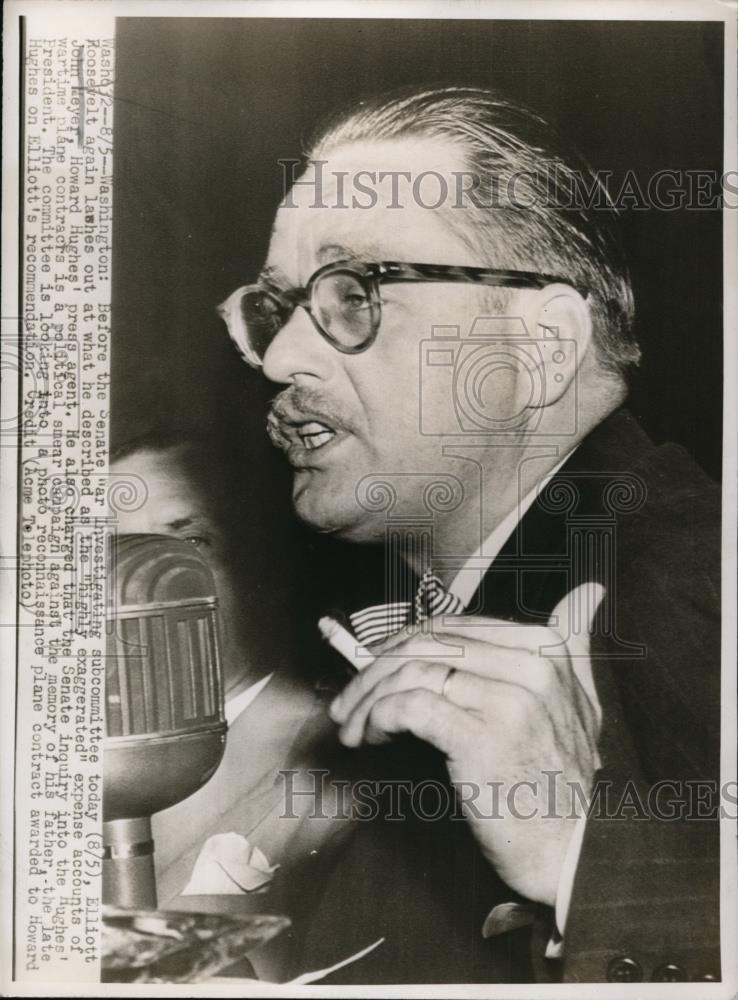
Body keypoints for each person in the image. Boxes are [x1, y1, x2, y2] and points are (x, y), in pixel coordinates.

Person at [217, 86, 722, 984]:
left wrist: (582, 856)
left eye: (353, 293)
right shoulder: (496, 588)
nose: (282, 357)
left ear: (542, 347)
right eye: (276, 307)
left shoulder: (695, 585)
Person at [109, 432, 353, 981]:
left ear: (260, 565)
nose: (139, 585)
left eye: (191, 542)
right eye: (113, 550)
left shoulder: (340, 769)